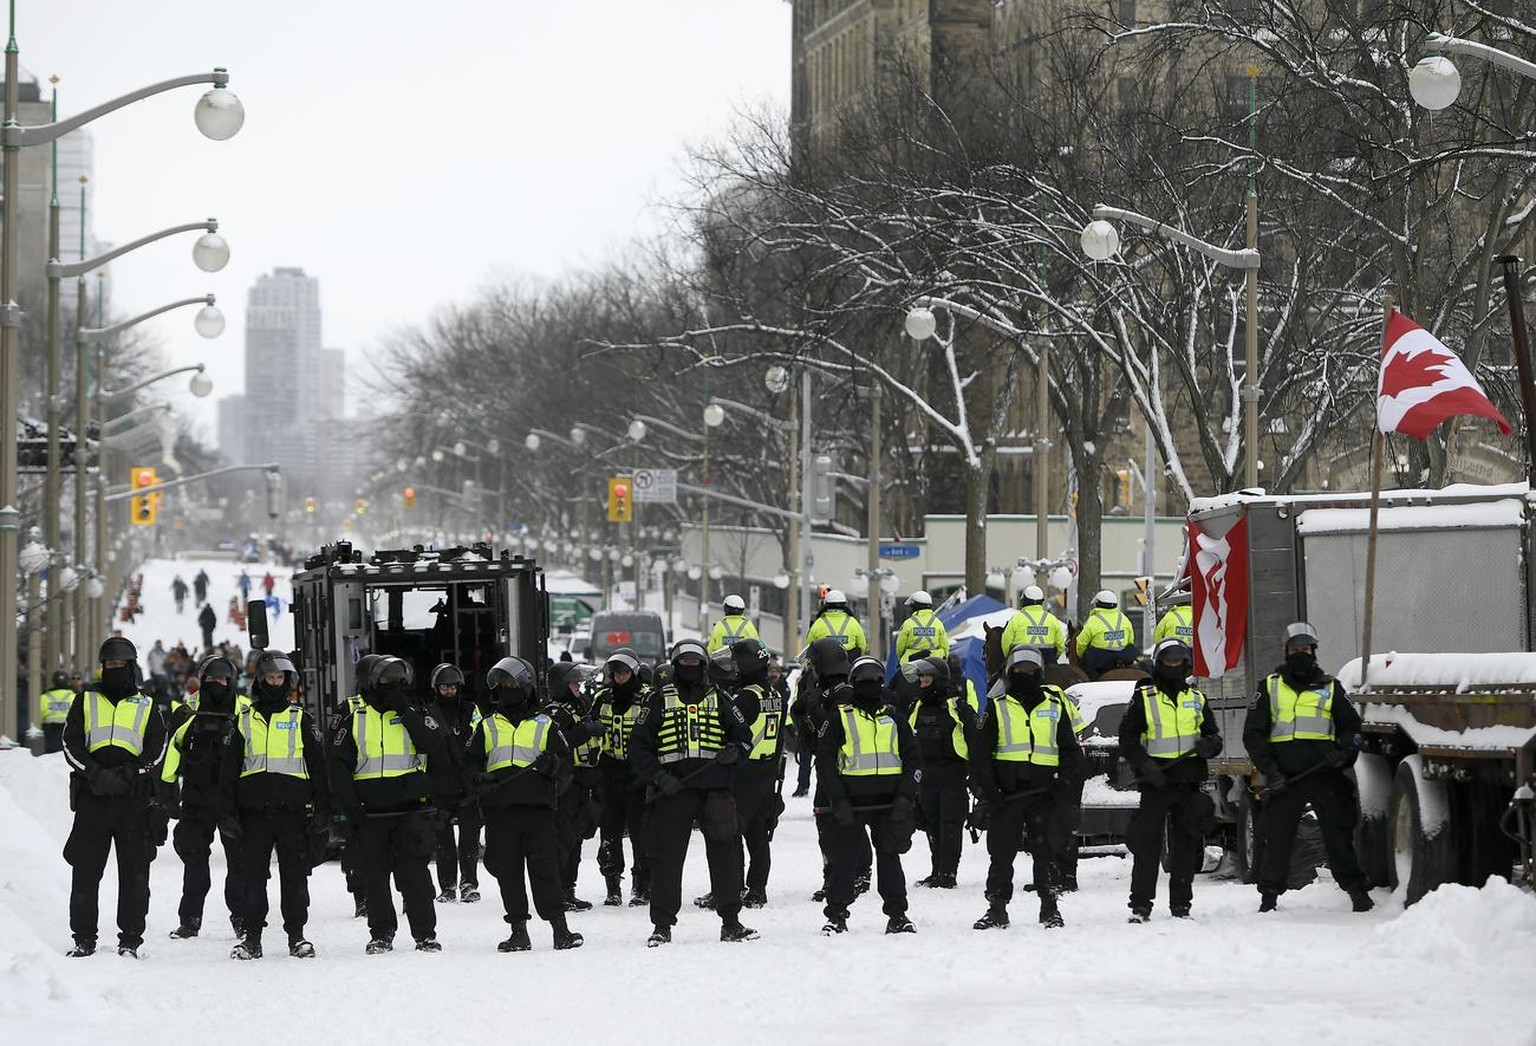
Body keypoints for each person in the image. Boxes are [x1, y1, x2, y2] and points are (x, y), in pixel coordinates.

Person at [628, 639, 758, 947]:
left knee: (726, 857)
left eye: (695, 664)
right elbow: (639, 746)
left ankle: (731, 921)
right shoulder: (658, 700)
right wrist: (659, 777)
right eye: (684, 664)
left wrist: (733, 753)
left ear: (703, 667)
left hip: (715, 790)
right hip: (674, 791)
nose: (690, 669)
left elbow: (744, 738)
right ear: (675, 667)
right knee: (667, 859)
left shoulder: (722, 699)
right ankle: (662, 925)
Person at [1243, 622, 1374, 914]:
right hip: (1286, 779)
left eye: (1305, 649)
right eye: (1295, 649)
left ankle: (1357, 892)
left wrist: (1342, 754)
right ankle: (1269, 898)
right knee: (1278, 841)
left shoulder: (1330, 688)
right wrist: (1270, 771)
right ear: (1286, 651)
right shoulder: (1269, 688)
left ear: (1313, 651)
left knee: (1338, 839)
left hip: (1326, 777)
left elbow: (1352, 729)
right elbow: (1253, 734)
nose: (1300, 653)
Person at [329, 655, 447, 954]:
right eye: (385, 680)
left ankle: (425, 934)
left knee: (415, 876)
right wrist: (350, 807)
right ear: (369, 680)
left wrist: (405, 711)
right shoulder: (351, 713)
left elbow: (433, 745)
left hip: (410, 809)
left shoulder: (414, 709)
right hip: (369, 812)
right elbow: (337, 764)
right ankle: (381, 933)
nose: (392, 685)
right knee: (375, 877)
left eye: (397, 679)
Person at [465, 656, 584, 952]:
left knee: (546, 871)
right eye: (503, 685)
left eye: (512, 684)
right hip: (500, 813)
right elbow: (468, 764)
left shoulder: (546, 724)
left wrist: (552, 767)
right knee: (508, 873)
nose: (507, 689)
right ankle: (519, 932)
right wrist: (479, 778)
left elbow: (567, 766)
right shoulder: (488, 725)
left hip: (539, 812)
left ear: (527, 687)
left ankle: (561, 930)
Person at [61, 636, 169, 958]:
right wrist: (94, 773)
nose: (115, 669)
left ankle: (131, 939)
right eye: (110, 665)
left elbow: (157, 748)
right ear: (102, 666)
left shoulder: (147, 705)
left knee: (135, 872)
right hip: (93, 798)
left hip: (132, 800)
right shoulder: (85, 701)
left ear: (132, 667)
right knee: (85, 871)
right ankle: (83, 938)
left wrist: (130, 773)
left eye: (122, 665)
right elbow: (71, 743)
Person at [220, 651, 328, 959]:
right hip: (254, 815)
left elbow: (319, 769)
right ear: (260, 680)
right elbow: (227, 772)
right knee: (252, 876)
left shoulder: (300, 719)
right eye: (270, 677)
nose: (276, 682)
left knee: (295, 877)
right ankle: (252, 937)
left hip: (293, 814)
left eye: (281, 678)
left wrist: (324, 810)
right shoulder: (243, 721)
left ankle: (297, 935)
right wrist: (227, 812)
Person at [969, 647, 1083, 932]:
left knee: (1046, 852)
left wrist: (1064, 788)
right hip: (1006, 797)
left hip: (1045, 795)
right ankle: (997, 907)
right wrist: (989, 791)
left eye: (1030, 671)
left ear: (1040, 673)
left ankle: (1050, 907)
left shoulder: (1055, 707)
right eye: (1019, 671)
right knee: (1001, 853)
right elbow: (980, 754)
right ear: (1010, 673)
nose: (1024, 675)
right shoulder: (997, 706)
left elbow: (1071, 753)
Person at [816, 655, 921, 935]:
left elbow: (914, 759)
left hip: (889, 803)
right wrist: (837, 800)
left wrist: (905, 797)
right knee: (844, 861)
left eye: (874, 681)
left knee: (890, 859)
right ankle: (836, 914)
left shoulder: (894, 718)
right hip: (850, 803)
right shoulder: (839, 717)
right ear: (853, 683)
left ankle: (897, 915)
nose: (869, 685)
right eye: (864, 681)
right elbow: (824, 763)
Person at [1119, 639, 1222, 922]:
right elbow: (1127, 738)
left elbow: (1213, 735)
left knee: (1185, 848)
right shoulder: (1144, 697)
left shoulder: (1197, 698)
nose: (1173, 666)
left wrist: (1209, 745)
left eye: (1179, 661)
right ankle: (1140, 906)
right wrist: (1143, 764)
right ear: (1159, 664)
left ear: (1186, 664)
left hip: (1188, 784)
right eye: (1168, 661)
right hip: (1156, 784)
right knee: (1147, 847)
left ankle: (1181, 906)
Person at [162, 655, 245, 942]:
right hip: (197, 798)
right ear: (203, 680)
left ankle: (242, 918)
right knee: (195, 861)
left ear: (231, 681)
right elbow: (172, 751)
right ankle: (190, 920)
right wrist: (167, 793)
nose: (217, 684)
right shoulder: (188, 711)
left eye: (222, 680)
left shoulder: (245, 710)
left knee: (239, 863)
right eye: (211, 679)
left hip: (234, 800)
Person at [905, 657, 976, 890]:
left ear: (938, 679)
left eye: (927, 676)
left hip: (952, 776)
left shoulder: (957, 707)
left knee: (950, 826)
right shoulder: (917, 706)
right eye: (921, 677)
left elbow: (974, 738)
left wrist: (976, 774)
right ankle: (936, 871)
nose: (922, 681)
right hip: (926, 777)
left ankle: (948, 874)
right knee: (931, 824)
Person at [729, 638, 786, 907]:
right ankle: (758, 889)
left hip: (744, 771)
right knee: (758, 835)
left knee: (732, 833)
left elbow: (731, 732)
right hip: (767, 771)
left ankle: (733, 887)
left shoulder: (745, 697)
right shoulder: (774, 694)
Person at [543, 661, 604, 911]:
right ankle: (556, 892)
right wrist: (585, 731)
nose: (578, 686)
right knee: (563, 840)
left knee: (577, 839)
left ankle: (568, 889)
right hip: (565, 784)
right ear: (561, 686)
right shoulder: (553, 712)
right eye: (573, 683)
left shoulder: (581, 707)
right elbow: (556, 742)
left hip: (583, 780)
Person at [594, 650, 652, 908]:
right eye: (616, 673)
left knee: (641, 835)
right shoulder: (602, 698)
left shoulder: (647, 697)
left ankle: (641, 886)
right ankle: (612, 885)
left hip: (638, 775)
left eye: (625, 673)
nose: (620, 677)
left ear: (634, 673)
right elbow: (590, 725)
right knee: (609, 833)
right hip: (609, 773)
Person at [423, 663, 483, 904]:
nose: (449, 691)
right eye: (444, 687)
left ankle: (468, 883)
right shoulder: (427, 713)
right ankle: (447, 886)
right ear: (436, 688)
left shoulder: (471, 710)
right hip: (439, 784)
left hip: (467, 782)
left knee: (469, 835)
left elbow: (481, 737)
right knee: (443, 838)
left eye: (453, 687)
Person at [1074, 590, 1136, 677]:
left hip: (1099, 661)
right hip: (1123, 658)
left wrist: (1081, 656)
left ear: (1098, 604)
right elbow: (1131, 640)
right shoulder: (1123, 618)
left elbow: (1081, 643)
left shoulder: (1092, 621)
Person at [1000, 586, 1068, 665]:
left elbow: (1005, 642)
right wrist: (1054, 657)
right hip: (1047, 661)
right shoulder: (1052, 619)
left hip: (1020, 660)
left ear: (1024, 601)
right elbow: (1060, 645)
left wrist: (1009, 657)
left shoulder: (1016, 619)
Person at [804, 590, 868, 658]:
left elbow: (808, 646)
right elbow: (862, 646)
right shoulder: (853, 622)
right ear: (844, 604)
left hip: (825, 663)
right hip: (848, 664)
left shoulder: (818, 623)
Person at [895, 591, 950, 663]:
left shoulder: (908, 623)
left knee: (898, 674)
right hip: (934, 662)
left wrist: (902, 657)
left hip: (911, 663)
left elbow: (900, 647)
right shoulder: (938, 623)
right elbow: (945, 645)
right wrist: (944, 658)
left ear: (914, 606)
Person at [39, 669, 76, 753]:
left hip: (51, 732)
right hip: (70, 731)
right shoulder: (74, 697)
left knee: (52, 758)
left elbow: (38, 715)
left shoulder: (44, 697)